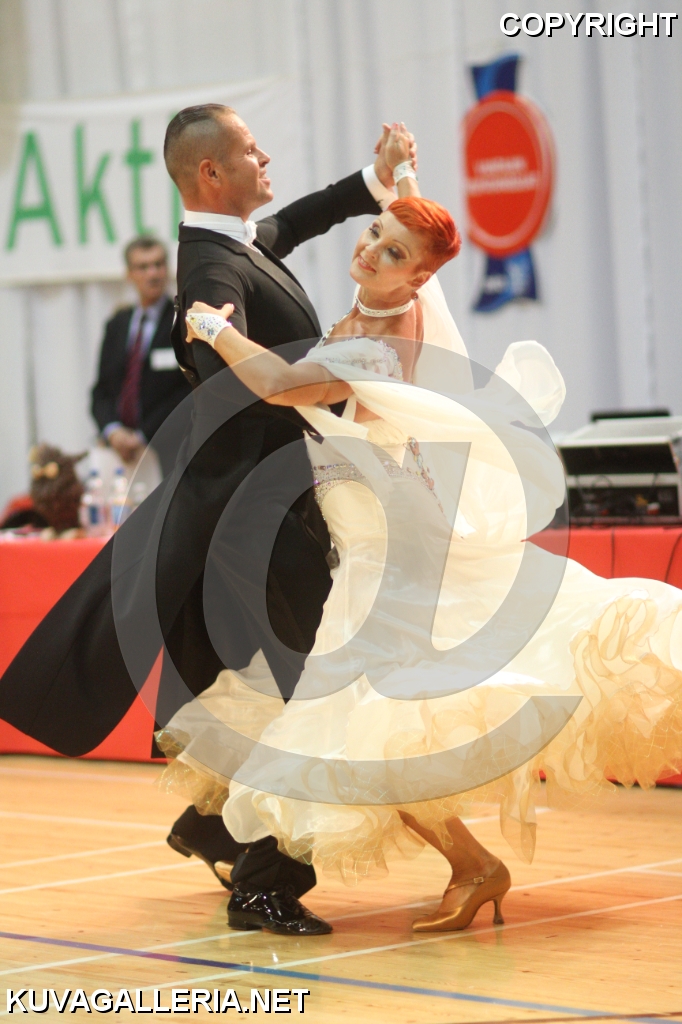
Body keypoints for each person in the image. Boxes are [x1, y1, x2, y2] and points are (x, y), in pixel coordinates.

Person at [171, 131, 682, 935]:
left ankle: (451, 866)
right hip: (369, 535)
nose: (370, 248)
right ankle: (469, 866)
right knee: (371, 725)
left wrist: (212, 327)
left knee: (364, 720)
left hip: (388, 549)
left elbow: (277, 384)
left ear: (418, 277)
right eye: (374, 232)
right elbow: (409, 230)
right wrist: (400, 177)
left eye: (391, 250)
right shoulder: (378, 305)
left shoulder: (377, 341)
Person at [0, 107, 414, 937]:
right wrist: (227, 343)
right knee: (312, 692)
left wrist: (375, 181)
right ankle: (263, 885)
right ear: (210, 174)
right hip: (258, 521)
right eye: (251, 150)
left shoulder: (237, 244)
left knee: (271, 685)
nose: (266, 156)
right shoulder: (210, 272)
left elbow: (299, 220)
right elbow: (220, 360)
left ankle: (216, 827)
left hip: (270, 509)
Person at [91, 237, 190, 476]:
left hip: (169, 451)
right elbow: (102, 391)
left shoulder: (183, 321)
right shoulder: (118, 324)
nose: (152, 274)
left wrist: (143, 435)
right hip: (119, 453)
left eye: (158, 264)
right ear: (129, 274)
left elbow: (187, 392)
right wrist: (113, 431)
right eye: (143, 267)